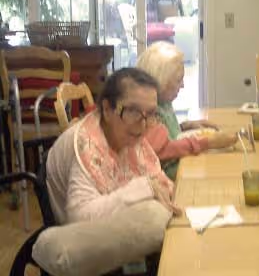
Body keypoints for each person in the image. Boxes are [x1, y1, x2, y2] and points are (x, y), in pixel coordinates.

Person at [46, 68, 183, 224]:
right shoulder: (88, 142)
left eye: (151, 113)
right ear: (106, 109)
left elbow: (158, 181)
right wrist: (143, 189)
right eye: (132, 110)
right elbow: (79, 217)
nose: (143, 124)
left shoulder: (130, 134)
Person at [137, 41, 237, 180]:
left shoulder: (164, 103)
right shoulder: (148, 112)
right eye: (178, 80)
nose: (182, 85)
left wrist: (184, 126)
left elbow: (167, 134)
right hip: (167, 177)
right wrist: (208, 142)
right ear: (160, 81)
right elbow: (164, 150)